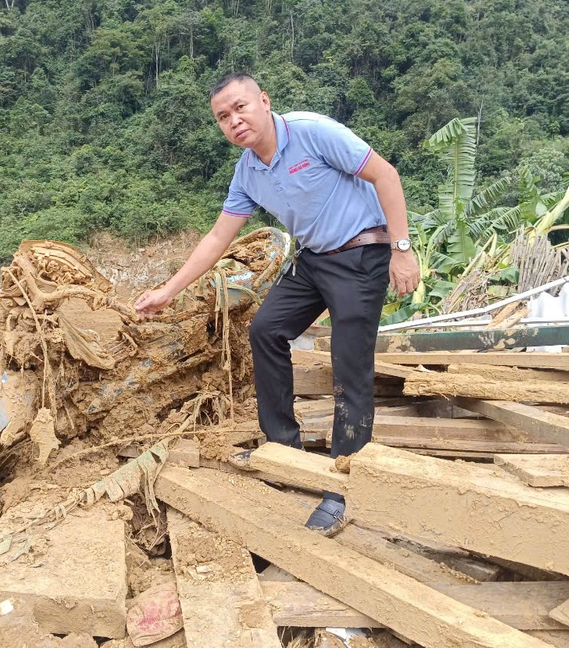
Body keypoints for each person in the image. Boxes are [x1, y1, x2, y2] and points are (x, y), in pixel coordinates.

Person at [134, 73, 420, 536]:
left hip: (363, 252)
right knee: (266, 330)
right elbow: (217, 237)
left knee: (349, 366)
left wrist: (401, 249)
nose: (234, 121)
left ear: (264, 102)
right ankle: (285, 450)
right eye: (223, 117)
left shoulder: (313, 132)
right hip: (313, 260)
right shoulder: (247, 171)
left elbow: (385, 174)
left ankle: (342, 484)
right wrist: (168, 290)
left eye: (240, 107)